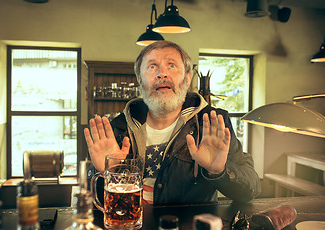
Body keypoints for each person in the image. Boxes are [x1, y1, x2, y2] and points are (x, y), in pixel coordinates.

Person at [85, 41, 261, 205]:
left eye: (171, 65)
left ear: (187, 77)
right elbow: (95, 201)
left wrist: (220, 171)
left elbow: (250, 191)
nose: (162, 73)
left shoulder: (212, 123)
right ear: (139, 79)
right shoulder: (119, 128)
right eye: (152, 67)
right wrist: (105, 174)